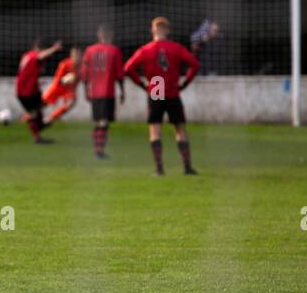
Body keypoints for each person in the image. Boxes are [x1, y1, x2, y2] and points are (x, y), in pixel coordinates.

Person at [122, 17, 200, 176]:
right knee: (179, 128)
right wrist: (185, 83)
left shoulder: (146, 49)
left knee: (155, 130)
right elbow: (195, 65)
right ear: (168, 30)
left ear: (153, 29)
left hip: (156, 88)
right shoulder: (176, 48)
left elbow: (128, 68)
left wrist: (143, 84)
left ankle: (159, 169)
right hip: (172, 89)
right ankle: (187, 167)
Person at [81, 26, 126, 159]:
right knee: (104, 122)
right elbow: (119, 74)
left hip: (94, 92)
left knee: (97, 121)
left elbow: (84, 73)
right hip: (107, 91)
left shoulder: (89, 50)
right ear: (111, 35)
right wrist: (123, 91)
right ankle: (99, 151)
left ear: (98, 34)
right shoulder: (114, 50)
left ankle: (97, 149)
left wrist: (86, 90)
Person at [15, 38, 64, 144]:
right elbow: (39, 56)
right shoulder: (34, 55)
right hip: (26, 91)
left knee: (41, 105)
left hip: (28, 89)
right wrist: (54, 49)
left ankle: (38, 124)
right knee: (34, 112)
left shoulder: (27, 55)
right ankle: (37, 135)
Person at [41, 46, 81, 125]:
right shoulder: (64, 64)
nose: (76, 57)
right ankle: (27, 118)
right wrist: (67, 78)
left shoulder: (82, 67)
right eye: (74, 54)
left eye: (78, 54)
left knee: (71, 103)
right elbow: (58, 80)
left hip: (69, 90)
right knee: (42, 104)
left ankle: (50, 118)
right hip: (57, 87)